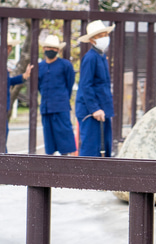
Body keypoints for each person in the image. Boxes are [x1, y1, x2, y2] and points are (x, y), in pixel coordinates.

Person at [76, 20, 115, 157]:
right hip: (92, 111)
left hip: (102, 109)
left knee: (105, 148)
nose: (104, 37)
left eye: (105, 34)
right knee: (91, 149)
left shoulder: (101, 56)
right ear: (92, 40)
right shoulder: (90, 58)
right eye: (100, 35)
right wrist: (94, 108)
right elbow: (86, 85)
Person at [38, 34, 77, 156]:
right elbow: (39, 85)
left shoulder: (65, 65)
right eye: (48, 47)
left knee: (64, 137)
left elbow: (69, 83)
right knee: (49, 140)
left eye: (54, 48)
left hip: (61, 106)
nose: (51, 50)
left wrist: (63, 98)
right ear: (44, 49)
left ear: (58, 50)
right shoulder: (40, 66)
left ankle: (65, 163)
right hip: (46, 107)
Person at [5, 36, 32, 153]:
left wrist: (23, 76)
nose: (9, 50)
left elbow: (7, 82)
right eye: (7, 47)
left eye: (10, 47)